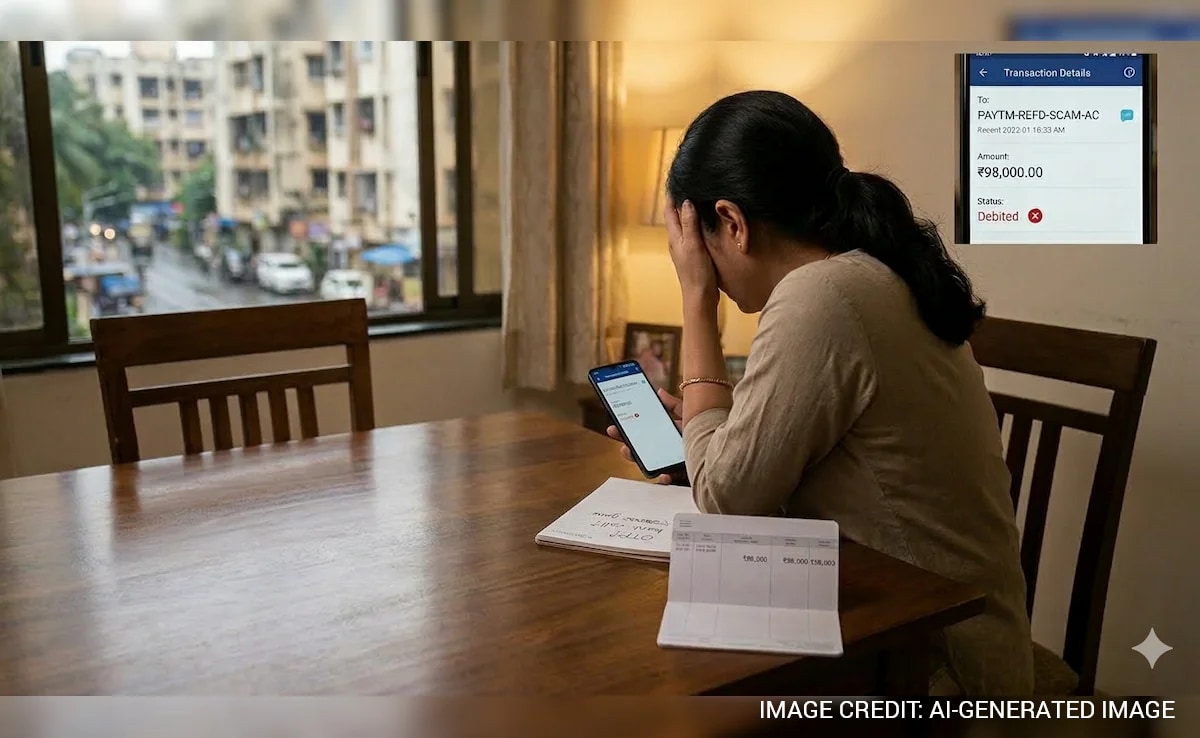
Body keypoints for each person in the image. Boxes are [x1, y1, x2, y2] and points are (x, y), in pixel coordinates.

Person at [606, 91, 1033, 696]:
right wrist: (709, 436)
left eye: (696, 244)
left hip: (932, 666)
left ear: (730, 222)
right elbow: (781, 462)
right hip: (899, 620)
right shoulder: (871, 271)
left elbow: (728, 500)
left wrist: (696, 300)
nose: (700, 266)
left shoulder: (822, 298)